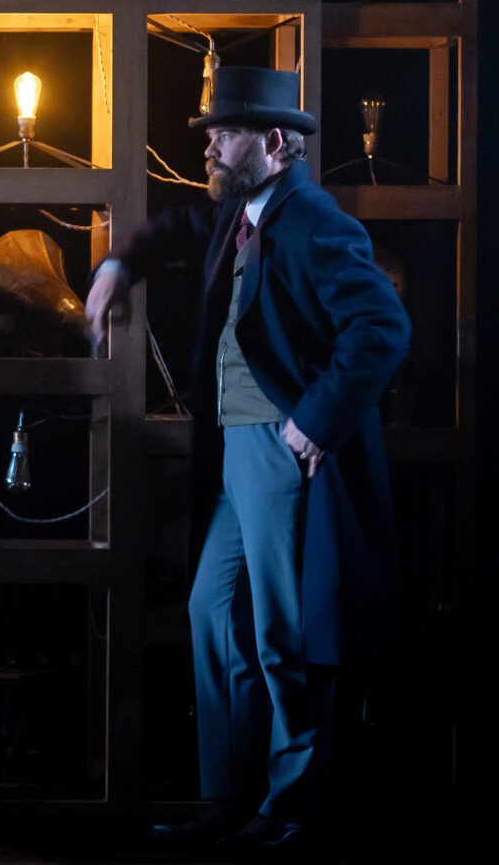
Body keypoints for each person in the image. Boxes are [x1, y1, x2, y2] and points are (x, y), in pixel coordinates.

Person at [85, 67, 408, 853]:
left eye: (225, 136)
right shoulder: (241, 212)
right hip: (234, 450)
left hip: (276, 449)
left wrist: (316, 420)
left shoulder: (313, 221)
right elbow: (175, 228)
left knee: (282, 636)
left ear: (275, 143)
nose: (210, 149)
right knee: (212, 612)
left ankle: (292, 808)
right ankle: (229, 796)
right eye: (211, 135)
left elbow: (383, 327)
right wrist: (119, 264)